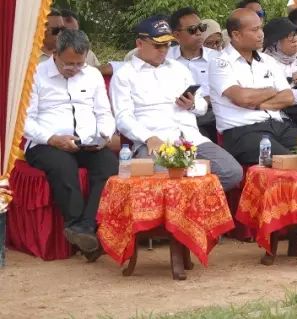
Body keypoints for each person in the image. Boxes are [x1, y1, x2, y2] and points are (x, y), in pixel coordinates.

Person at [111, 17, 242, 191]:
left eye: (167, 45)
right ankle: (184, 208)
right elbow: (123, 117)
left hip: (191, 139)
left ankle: (186, 206)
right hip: (155, 142)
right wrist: (148, 137)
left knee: (231, 172)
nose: (164, 50)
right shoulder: (124, 74)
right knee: (165, 181)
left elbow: (202, 107)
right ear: (140, 43)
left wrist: (192, 104)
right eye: (158, 45)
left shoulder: (179, 69)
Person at [22, 29, 117, 257]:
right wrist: (52, 139)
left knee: (109, 167)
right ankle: (78, 227)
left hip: (87, 141)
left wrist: (104, 136)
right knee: (63, 166)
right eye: (69, 64)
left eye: (79, 64)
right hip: (46, 142)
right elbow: (24, 119)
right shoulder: (35, 74)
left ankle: (85, 227)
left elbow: (104, 112)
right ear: (55, 53)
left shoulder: (92, 74)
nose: (74, 69)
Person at [209, 8, 297, 164]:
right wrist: (271, 90)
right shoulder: (220, 63)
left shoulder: (268, 60)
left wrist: (258, 103)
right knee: (290, 163)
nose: (261, 34)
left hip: (278, 125)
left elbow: (288, 96)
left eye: (261, 28)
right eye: (255, 30)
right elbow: (243, 98)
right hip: (243, 132)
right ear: (236, 35)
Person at [167, 7, 220, 141]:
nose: (198, 33)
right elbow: (127, 65)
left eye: (201, 28)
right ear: (176, 35)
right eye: (192, 30)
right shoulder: (165, 58)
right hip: (176, 112)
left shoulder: (218, 59)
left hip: (210, 114)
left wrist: (207, 100)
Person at [263, 17, 297, 130]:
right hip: (280, 119)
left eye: (295, 34)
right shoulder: (264, 63)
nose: (294, 39)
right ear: (274, 42)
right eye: (288, 36)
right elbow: (278, 94)